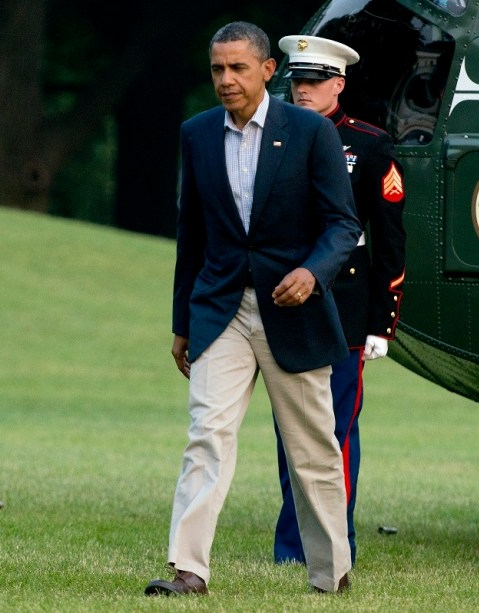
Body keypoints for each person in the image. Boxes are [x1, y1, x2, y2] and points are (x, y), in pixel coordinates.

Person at [143, 21, 360, 596]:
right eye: (217, 68)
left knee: (312, 448)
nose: (226, 79)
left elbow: (343, 224)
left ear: (269, 70)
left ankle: (329, 573)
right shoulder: (197, 133)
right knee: (206, 437)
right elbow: (192, 235)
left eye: (238, 67)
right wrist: (182, 323)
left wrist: (311, 273)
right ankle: (188, 570)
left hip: (295, 310)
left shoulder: (311, 133)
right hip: (221, 310)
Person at [272, 35, 406, 567]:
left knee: (335, 431)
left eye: (313, 81)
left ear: (338, 84)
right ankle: (290, 548)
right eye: (296, 80)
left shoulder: (370, 146)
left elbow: (390, 239)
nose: (302, 89)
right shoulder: (273, 138)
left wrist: (383, 323)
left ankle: (334, 543)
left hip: (345, 302)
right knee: (290, 430)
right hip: (284, 298)